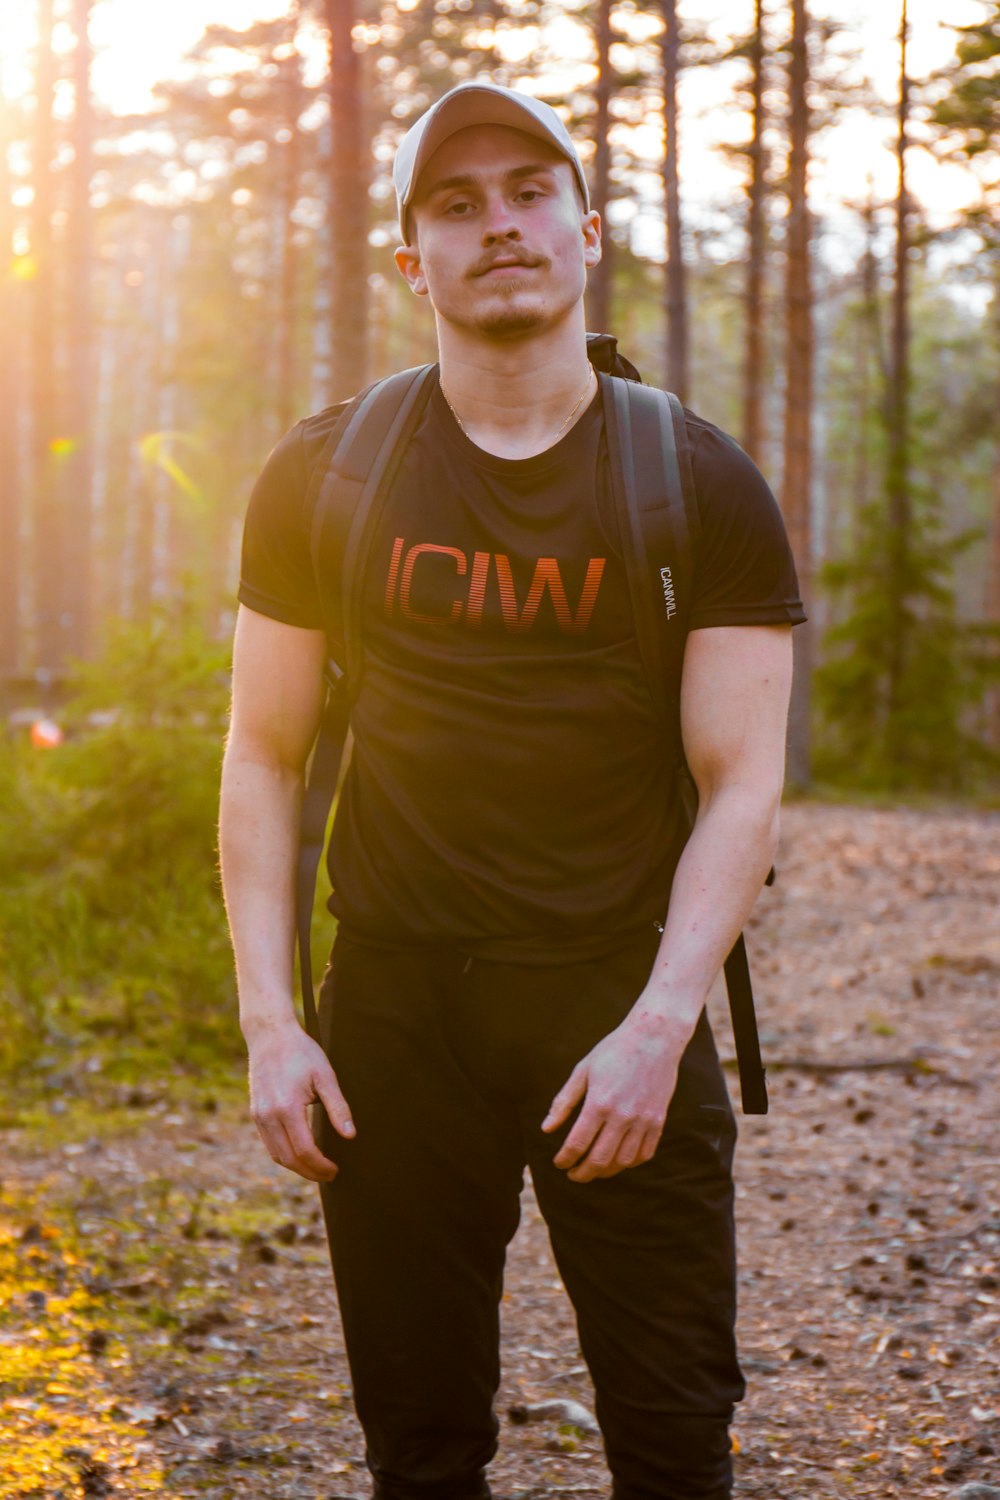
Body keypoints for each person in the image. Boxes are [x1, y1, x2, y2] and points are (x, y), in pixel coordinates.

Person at [219, 80, 806, 1500]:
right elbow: (262, 751)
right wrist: (272, 1025)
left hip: (620, 1003)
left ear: (587, 231)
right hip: (397, 1023)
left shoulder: (697, 480)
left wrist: (662, 1027)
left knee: (673, 1443)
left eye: (531, 192)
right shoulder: (328, 473)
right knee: (421, 1449)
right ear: (411, 262)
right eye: (457, 203)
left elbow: (743, 785)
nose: (502, 226)